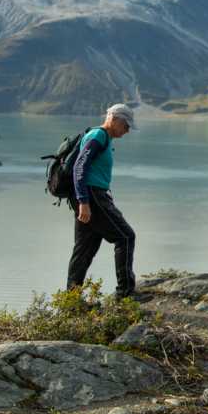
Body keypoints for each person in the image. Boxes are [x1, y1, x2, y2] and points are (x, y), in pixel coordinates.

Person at [68, 104, 143, 301]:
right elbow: (79, 167)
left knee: (84, 250)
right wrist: (84, 201)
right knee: (125, 237)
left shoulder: (103, 138)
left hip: (90, 196)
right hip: (93, 197)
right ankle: (125, 293)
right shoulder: (98, 136)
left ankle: (71, 302)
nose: (127, 131)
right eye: (126, 126)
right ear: (115, 119)